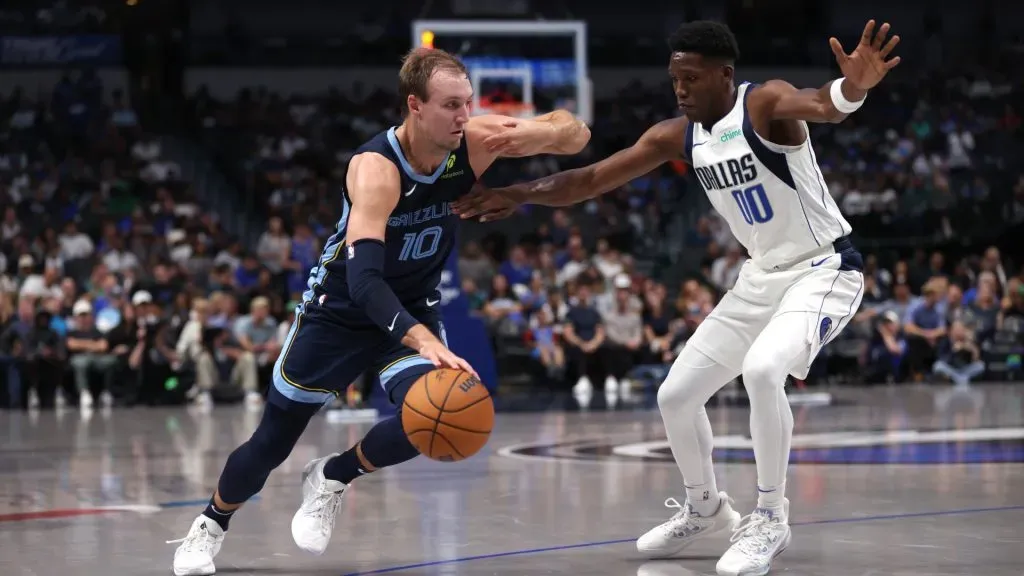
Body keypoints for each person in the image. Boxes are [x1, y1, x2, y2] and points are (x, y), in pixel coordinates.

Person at [454, 19, 899, 576]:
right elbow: (591, 179)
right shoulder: (677, 136)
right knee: (676, 396)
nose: (681, 90)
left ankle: (770, 517)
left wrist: (854, 87)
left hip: (823, 268)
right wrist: (518, 193)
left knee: (764, 371)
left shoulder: (763, 103)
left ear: (724, 75)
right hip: (759, 277)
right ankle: (706, 508)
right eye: (675, 80)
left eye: (692, 78)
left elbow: (823, 105)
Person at [169, 47, 590, 576]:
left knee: (436, 416)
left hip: (413, 303)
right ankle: (209, 525)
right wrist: (422, 338)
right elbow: (365, 281)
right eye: (450, 105)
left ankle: (334, 475)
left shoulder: (476, 140)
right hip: (341, 309)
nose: (464, 116)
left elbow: (576, 132)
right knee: (272, 442)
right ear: (415, 106)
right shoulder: (375, 169)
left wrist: (543, 135)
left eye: (468, 103)